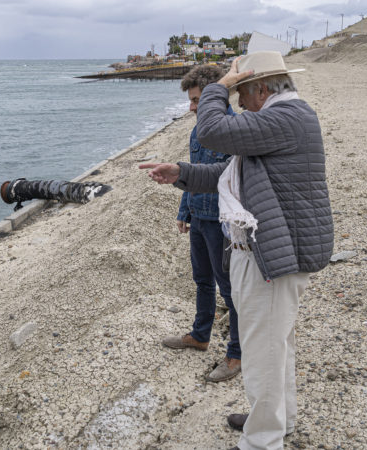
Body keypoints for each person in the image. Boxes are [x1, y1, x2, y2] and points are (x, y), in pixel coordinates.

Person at [139, 51, 333, 450]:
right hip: (273, 248)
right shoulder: (285, 119)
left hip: (273, 255)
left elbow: (210, 131)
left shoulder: (287, 117)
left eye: (241, 93)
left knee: (263, 350)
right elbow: (235, 173)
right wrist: (183, 173)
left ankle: (262, 440)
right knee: (276, 344)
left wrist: (218, 87)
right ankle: (278, 419)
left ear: (262, 88)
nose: (239, 104)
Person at [161, 65, 241, 383]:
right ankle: (200, 335)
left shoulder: (234, 128)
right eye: (191, 101)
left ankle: (236, 355)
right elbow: (194, 171)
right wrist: (185, 210)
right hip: (199, 217)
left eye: (196, 101)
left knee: (232, 291)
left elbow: (232, 176)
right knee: (202, 281)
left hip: (222, 222)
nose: (192, 108)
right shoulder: (197, 130)